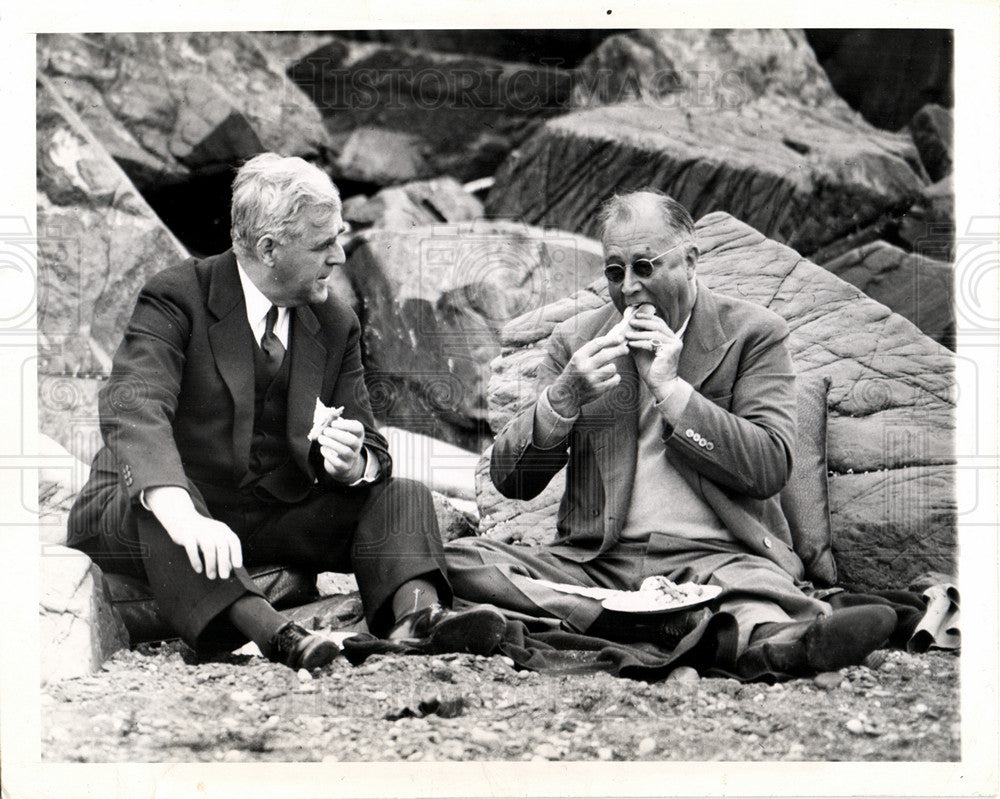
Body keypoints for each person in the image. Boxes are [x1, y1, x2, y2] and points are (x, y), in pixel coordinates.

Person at [68, 153, 506, 670]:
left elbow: (373, 445)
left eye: (339, 237)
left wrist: (354, 463)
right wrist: (183, 513)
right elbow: (132, 406)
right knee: (163, 508)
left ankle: (419, 619)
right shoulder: (177, 297)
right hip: (148, 513)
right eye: (324, 244)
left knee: (401, 495)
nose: (341, 256)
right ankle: (278, 635)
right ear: (269, 248)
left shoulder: (334, 320)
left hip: (265, 513)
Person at [445, 189, 896, 677]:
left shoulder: (753, 333)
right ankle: (667, 624)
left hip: (718, 557)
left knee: (757, 600)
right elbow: (513, 481)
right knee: (456, 559)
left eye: (645, 266)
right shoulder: (578, 341)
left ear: (690, 261)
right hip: (600, 561)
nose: (630, 288)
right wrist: (563, 399)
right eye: (615, 272)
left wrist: (672, 390)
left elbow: (769, 467)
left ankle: (768, 642)